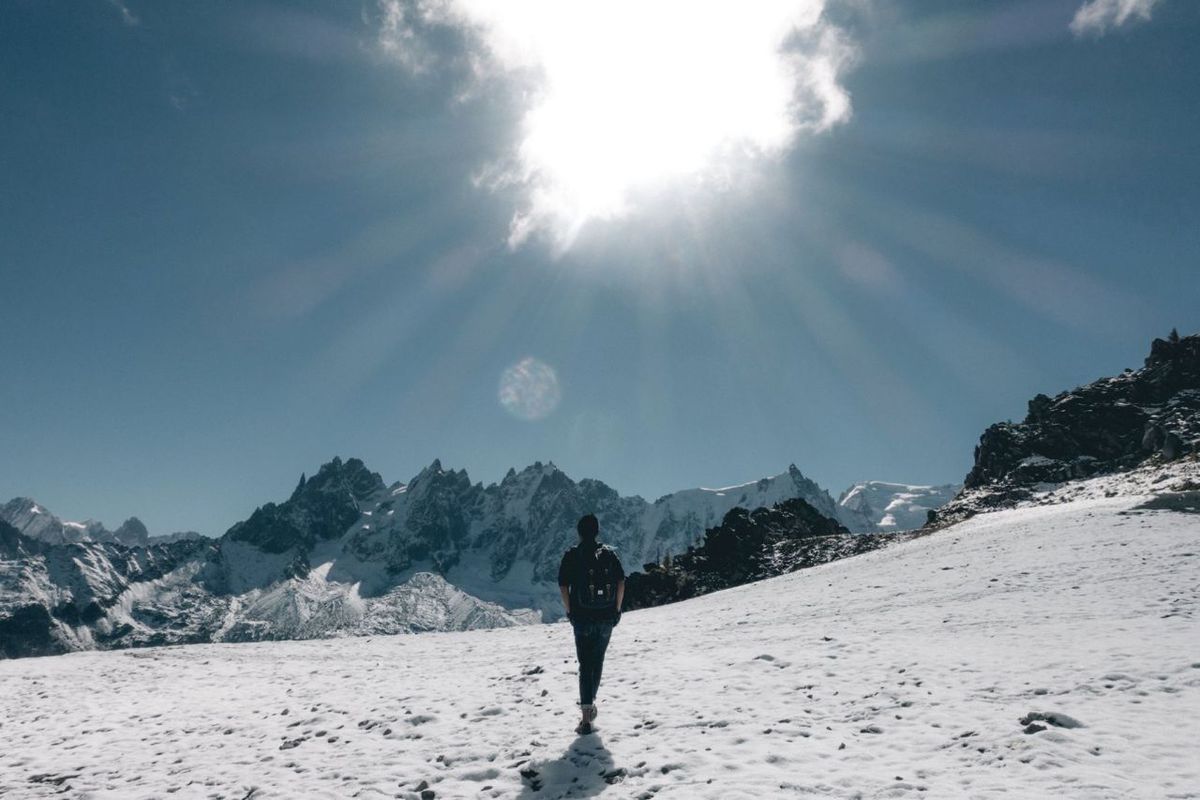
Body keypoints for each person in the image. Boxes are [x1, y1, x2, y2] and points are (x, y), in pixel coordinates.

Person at [558, 513, 625, 735]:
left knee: (585, 665)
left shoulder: (572, 555)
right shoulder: (609, 554)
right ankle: (591, 703)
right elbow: (621, 582)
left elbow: (563, 586)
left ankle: (586, 717)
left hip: (582, 618)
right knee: (598, 660)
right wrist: (616, 609)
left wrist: (570, 611)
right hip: (606, 616)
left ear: (579, 532)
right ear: (597, 531)